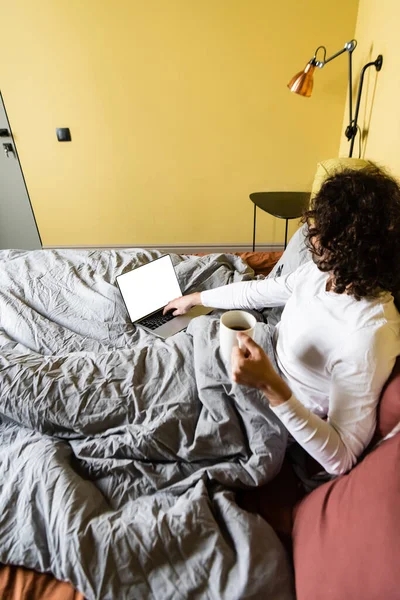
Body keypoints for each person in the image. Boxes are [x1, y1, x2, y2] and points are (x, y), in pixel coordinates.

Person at [164, 166, 400, 476]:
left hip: (263, 408)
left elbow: (341, 457)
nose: (310, 233)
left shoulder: (369, 334)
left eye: (321, 229)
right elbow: (259, 292)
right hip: (252, 359)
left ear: (356, 247)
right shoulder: (324, 274)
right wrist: (195, 299)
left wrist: (269, 385)